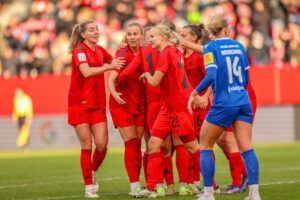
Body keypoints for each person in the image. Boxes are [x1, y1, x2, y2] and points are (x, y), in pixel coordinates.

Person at [188, 15, 261, 200]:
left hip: (224, 102)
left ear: (211, 33)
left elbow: (211, 75)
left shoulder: (211, 47)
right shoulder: (239, 46)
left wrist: (194, 92)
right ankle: (254, 193)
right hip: (243, 100)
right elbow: (245, 77)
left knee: (204, 145)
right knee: (247, 148)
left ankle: (208, 194)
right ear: (226, 30)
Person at [138, 24, 200, 198]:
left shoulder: (166, 53)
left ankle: (210, 185)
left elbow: (155, 81)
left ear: (163, 38)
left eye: (153, 37)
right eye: (149, 37)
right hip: (169, 107)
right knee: (153, 144)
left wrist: (146, 75)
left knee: (192, 148)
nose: (149, 40)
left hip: (177, 108)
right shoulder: (174, 51)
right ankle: (152, 188)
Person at [68, 19, 125, 198]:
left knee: (101, 145)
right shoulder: (79, 51)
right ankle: (88, 188)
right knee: (87, 144)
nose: (95, 32)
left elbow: (117, 62)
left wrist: (125, 48)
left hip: (98, 104)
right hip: (79, 104)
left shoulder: (100, 50)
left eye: (97, 29)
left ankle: (91, 172)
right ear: (83, 34)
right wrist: (108, 66)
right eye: (91, 30)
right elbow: (86, 71)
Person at [108, 21, 145, 197]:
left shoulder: (146, 51)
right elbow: (112, 77)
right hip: (121, 102)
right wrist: (114, 93)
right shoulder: (122, 52)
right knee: (131, 143)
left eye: (135, 34)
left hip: (139, 103)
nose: (132, 37)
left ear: (142, 35)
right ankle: (134, 186)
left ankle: (140, 184)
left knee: (138, 145)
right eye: (129, 34)